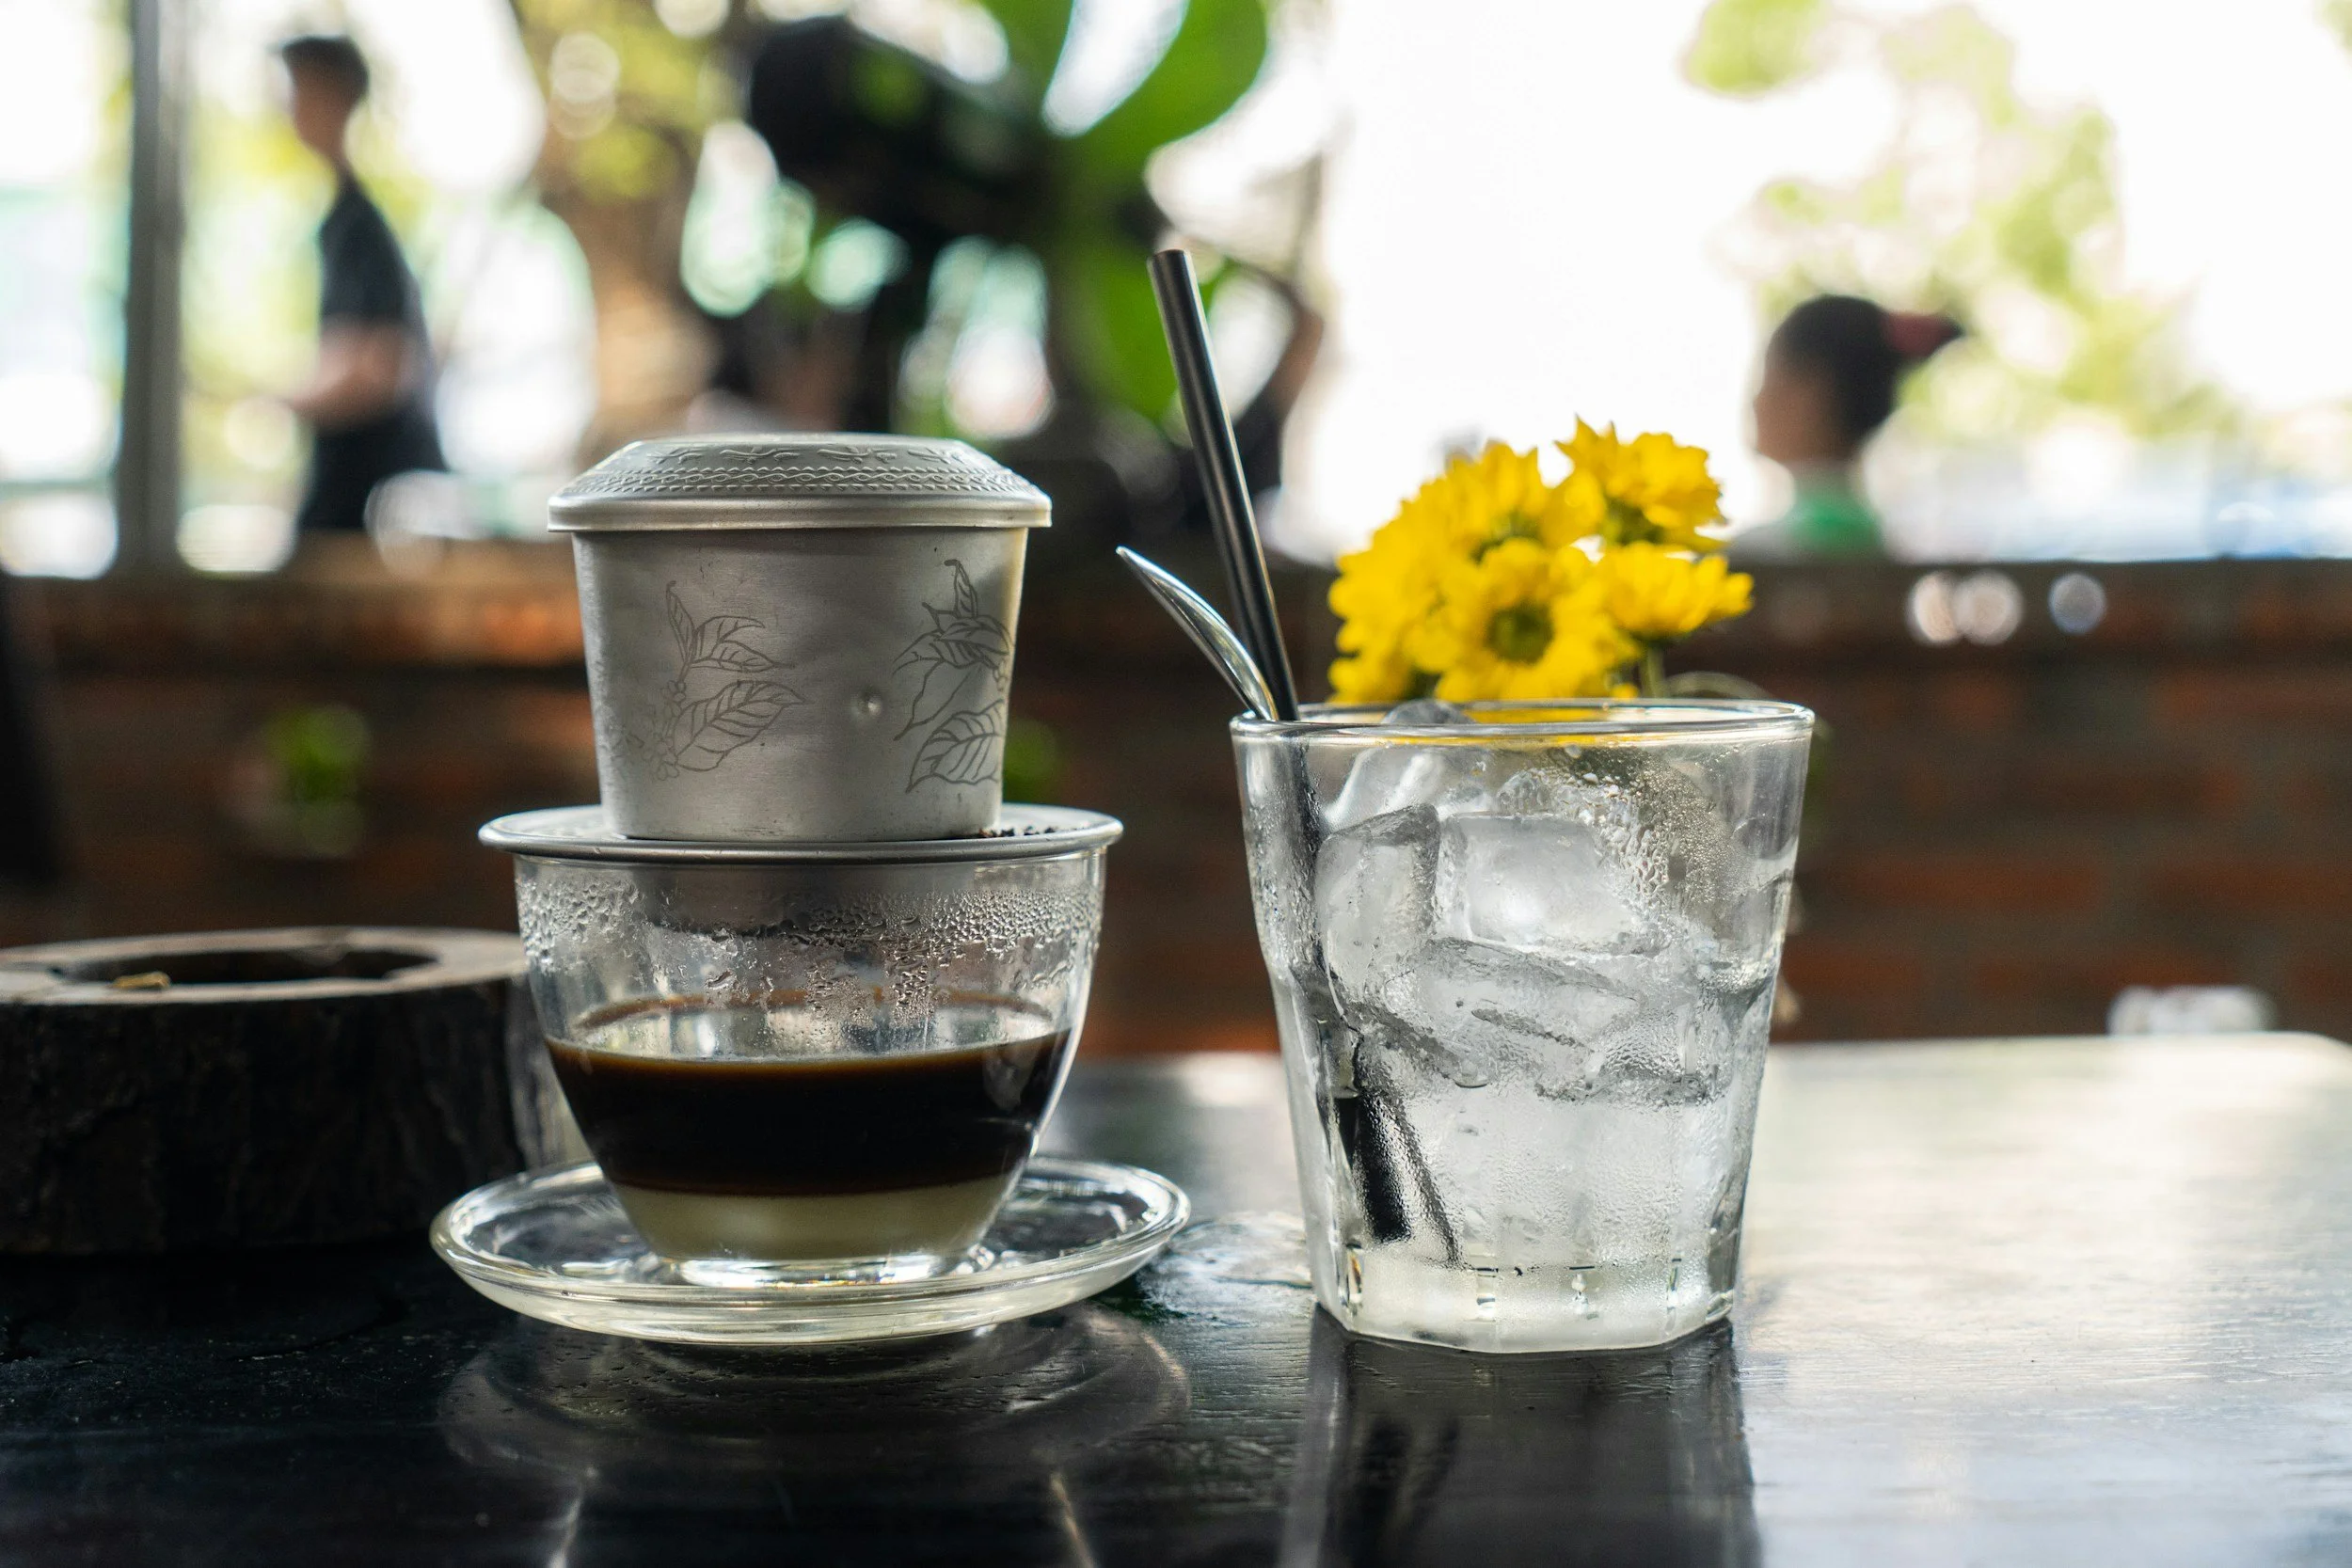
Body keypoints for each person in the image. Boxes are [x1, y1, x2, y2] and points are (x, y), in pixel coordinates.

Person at [278, 34, 445, 534]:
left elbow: (381, 364)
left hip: (371, 501)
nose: (289, 108)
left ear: (333, 99)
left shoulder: (358, 227)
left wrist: (279, 403)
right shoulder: (344, 221)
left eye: (299, 91)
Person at [1740, 294, 1963, 557]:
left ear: (1811, 393)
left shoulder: (1750, 557)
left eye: (1769, 379)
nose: (1757, 402)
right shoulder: (1892, 553)